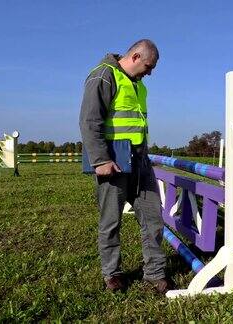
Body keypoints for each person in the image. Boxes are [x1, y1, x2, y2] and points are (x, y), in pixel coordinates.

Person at [79, 39, 170, 294]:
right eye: (148, 66)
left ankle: (154, 273)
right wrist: (100, 160)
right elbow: (89, 121)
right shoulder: (103, 76)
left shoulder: (139, 85)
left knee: (153, 218)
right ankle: (113, 274)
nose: (150, 72)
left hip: (140, 161)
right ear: (135, 57)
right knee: (111, 222)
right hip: (113, 160)